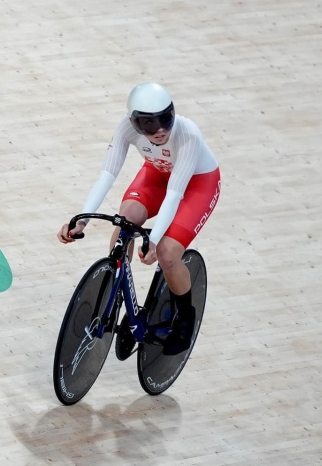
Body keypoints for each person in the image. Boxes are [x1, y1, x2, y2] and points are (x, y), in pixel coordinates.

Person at [57, 82, 221, 357]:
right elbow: (106, 175)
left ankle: (185, 318)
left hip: (196, 185)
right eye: (148, 123)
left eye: (165, 119)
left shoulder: (187, 134)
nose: (159, 130)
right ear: (134, 123)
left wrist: (153, 240)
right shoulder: (125, 129)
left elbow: (175, 194)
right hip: (157, 175)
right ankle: (116, 284)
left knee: (167, 254)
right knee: (126, 219)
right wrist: (81, 220)